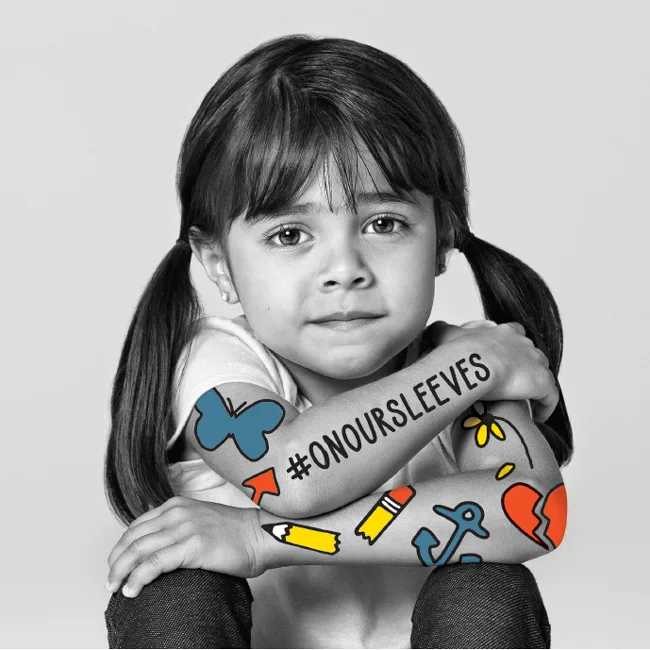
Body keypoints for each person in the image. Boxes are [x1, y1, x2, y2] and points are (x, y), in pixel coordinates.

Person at [103, 34, 573, 649]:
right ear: (218, 264)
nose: (344, 267)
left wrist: (253, 537)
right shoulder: (216, 361)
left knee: (489, 589)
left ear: (442, 240)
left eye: (384, 224)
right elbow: (290, 474)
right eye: (290, 234)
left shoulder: (468, 364)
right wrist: (470, 369)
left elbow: (532, 511)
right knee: (179, 591)